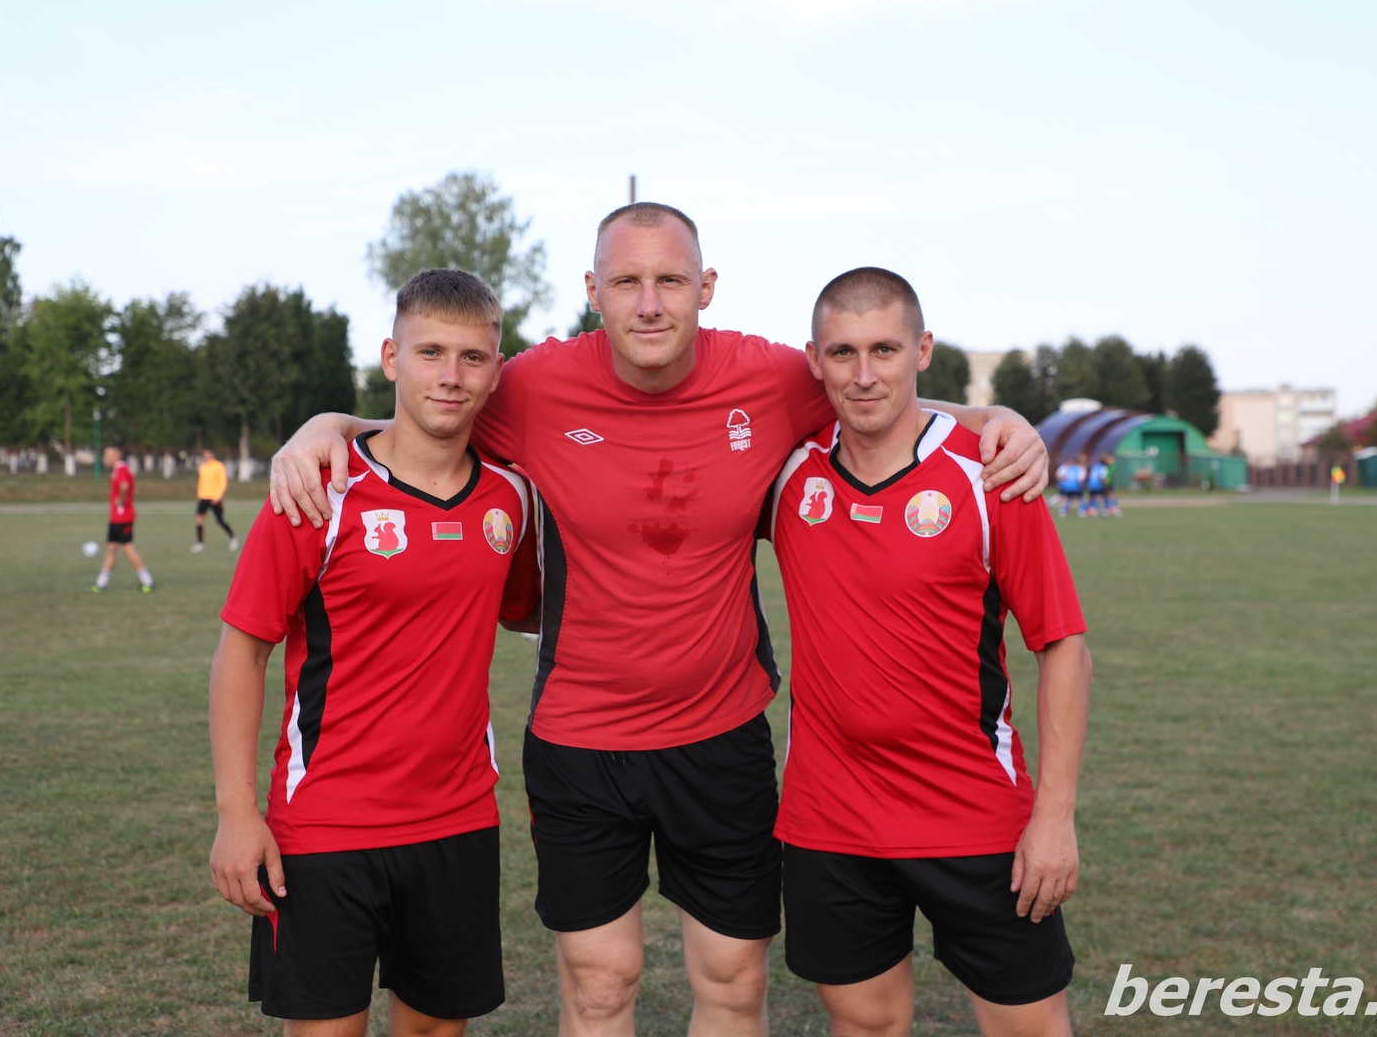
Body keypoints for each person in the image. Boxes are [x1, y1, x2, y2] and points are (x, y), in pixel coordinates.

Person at [269, 203, 1050, 1037]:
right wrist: (327, 427)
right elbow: (428, 412)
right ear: (593, 291)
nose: (649, 304)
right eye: (628, 282)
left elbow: (878, 394)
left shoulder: (770, 378)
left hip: (721, 736)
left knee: (734, 983)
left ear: (705, 287)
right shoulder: (534, 386)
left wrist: (996, 420)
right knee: (600, 986)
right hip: (580, 742)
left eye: (670, 280)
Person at [209, 269, 541, 1036]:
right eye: (430, 353)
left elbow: (526, 611)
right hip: (326, 826)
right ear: (392, 358)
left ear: (496, 370)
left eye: (472, 357)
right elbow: (241, 652)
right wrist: (236, 814)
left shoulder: (512, 499)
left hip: (458, 820)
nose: (450, 376)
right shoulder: (319, 489)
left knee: (436, 1029)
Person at [768, 268, 1090, 1036]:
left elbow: (1064, 648)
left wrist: (1054, 818)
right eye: (842, 352)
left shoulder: (990, 472)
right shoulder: (786, 471)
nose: (864, 374)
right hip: (830, 820)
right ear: (814, 361)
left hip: (976, 817)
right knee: (864, 1023)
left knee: (1030, 1028)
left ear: (923, 350)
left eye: (885, 349)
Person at [91, 446, 155, 593]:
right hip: (116, 517)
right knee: (111, 548)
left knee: (127, 548)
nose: (105, 458)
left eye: (108, 455)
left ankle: (147, 581)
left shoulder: (121, 469)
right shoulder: (117, 470)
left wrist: (120, 499)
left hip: (123, 516)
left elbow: (124, 486)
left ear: (117, 456)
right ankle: (101, 583)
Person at [191, 448, 239, 552]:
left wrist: (217, 496)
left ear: (212, 455)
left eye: (208, 455)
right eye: (205, 455)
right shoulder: (203, 467)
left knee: (220, 521)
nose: (206, 457)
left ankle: (233, 538)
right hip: (204, 497)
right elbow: (201, 482)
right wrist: (199, 494)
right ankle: (200, 543)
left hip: (214, 498)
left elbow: (223, 482)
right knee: (199, 521)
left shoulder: (218, 466)